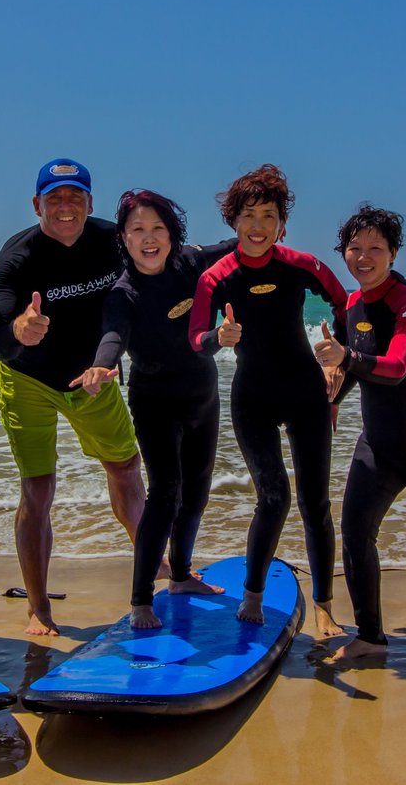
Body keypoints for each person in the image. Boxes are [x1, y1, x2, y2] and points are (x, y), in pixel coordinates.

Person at [0, 158, 146, 636]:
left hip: (92, 377)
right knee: (38, 491)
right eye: (54, 199)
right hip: (28, 380)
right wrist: (20, 328)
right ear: (37, 204)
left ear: (90, 203)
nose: (65, 207)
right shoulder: (16, 259)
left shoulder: (112, 241)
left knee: (125, 467)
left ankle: (153, 561)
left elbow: (160, 268)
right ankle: (38, 606)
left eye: (74, 197)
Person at [188, 164, 348, 637]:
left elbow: (348, 306)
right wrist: (220, 336)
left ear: (282, 223)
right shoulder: (216, 278)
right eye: (249, 215)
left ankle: (323, 606)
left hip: (305, 392)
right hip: (253, 396)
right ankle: (253, 593)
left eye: (269, 216)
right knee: (273, 498)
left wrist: (340, 361)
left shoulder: (303, 264)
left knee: (315, 504)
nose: (258, 225)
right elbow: (196, 338)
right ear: (233, 221)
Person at [70, 190, 234, 628]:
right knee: (166, 492)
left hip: (203, 394)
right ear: (123, 237)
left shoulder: (192, 262)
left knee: (197, 490)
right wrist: (102, 366)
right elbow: (113, 336)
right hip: (155, 401)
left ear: (172, 233)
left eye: (157, 228)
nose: (149, 238)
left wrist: (263, 231)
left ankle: (181, 576)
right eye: (137, 229)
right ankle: (141, 597)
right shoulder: (123, 294)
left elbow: (242, 244)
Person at [315, 204, 406, 662]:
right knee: (356, 530)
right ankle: (370, 637)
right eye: (355, 248)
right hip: (379, 444)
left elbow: (396, 367)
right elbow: (353, 363)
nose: (364, 257)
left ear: (393, 253)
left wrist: (345, 360)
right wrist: (333, 400)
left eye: (375, 248)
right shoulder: (351, 306)